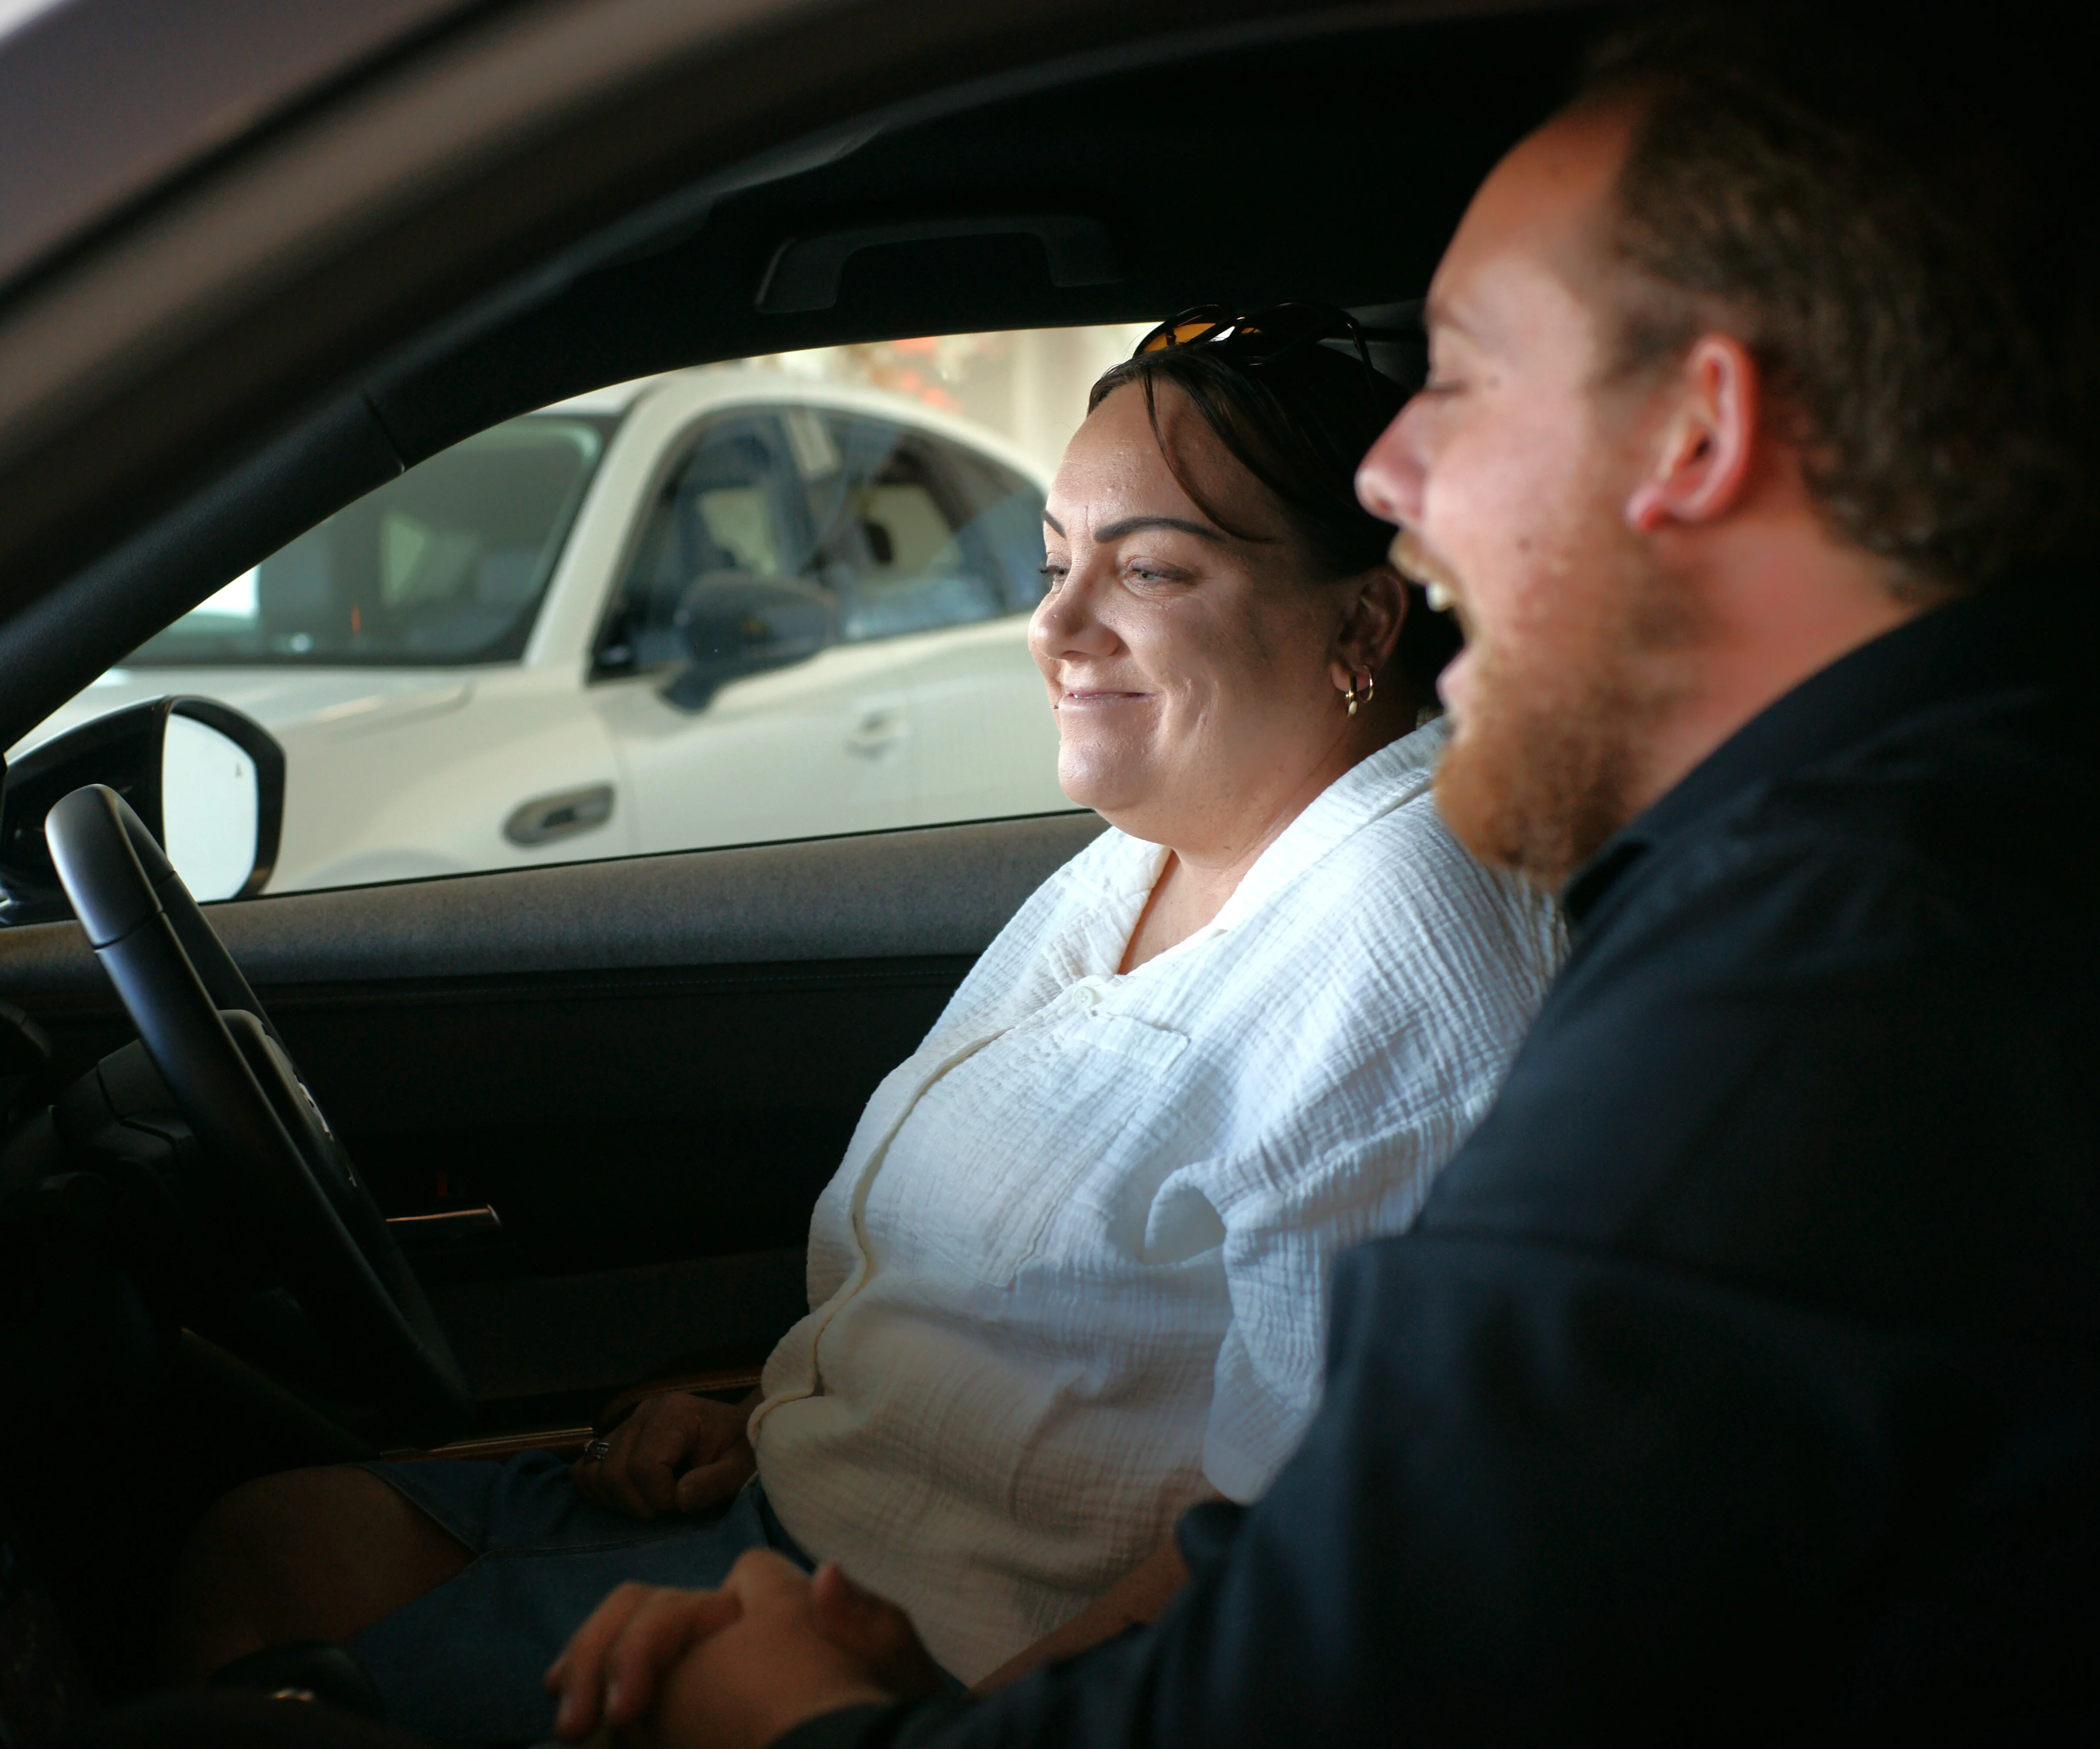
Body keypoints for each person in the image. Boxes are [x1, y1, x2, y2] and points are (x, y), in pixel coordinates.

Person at [541, 4, 2100, 1743]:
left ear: (1696, 435)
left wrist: (794, 1720)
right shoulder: (1884, 876)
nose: (1389, 472)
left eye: (1463, 374)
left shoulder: (1830, 990)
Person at [167, 314, 1565, 1739]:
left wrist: (897, 1733)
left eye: (1146, 569)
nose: (1057, 627)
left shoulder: (1404, 934)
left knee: (245, 1683)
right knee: (268, 1548)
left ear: (1363, 623)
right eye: (1053, 561)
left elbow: (1291, 1542)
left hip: (943, 1661)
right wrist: (773, 1404)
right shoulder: (1175, 843)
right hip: (798, 1516)